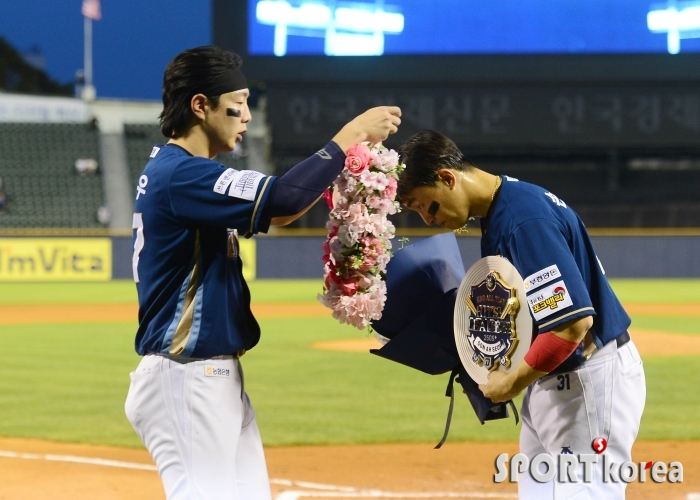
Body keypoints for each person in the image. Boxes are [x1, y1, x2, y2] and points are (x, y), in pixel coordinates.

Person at [124, 45, 401, 500]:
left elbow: (280, 213)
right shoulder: (181, 175)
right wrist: (350, 136)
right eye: (240, 101)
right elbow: (285, 199)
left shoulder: (185, 174)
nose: (248, 115)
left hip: (210, 378)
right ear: (200, 105)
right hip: (187, 377)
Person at [396, 129, 645, 499]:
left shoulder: (522, 220)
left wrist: (510, 384)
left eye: (426, 205)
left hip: (586, 385)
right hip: (555, 380)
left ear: (448, 178)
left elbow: (572, 325)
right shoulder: (504, 207)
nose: (428, 220)